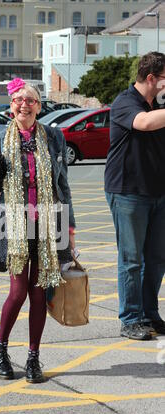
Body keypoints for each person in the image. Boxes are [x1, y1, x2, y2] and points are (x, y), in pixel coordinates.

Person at [0, 77, 76, 382]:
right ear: (11, 107)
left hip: (49, 224)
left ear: (39, 106)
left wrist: (70, 230)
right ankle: (1, 349)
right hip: (16, 224)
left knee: (38, 294)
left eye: (30, 100)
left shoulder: (54, 137)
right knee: (18, 292)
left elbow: (63, 186)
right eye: (19, 100)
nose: (25, 105)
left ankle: (33, 357)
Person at [105, 51, 165, 341]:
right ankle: (130, 318)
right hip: (128, 192)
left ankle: (149, 314)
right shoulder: (125, 102)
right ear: (151, 78)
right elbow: (143, 123)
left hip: (158, 192)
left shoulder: (159, 106)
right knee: (131, 260)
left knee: (156, 258)